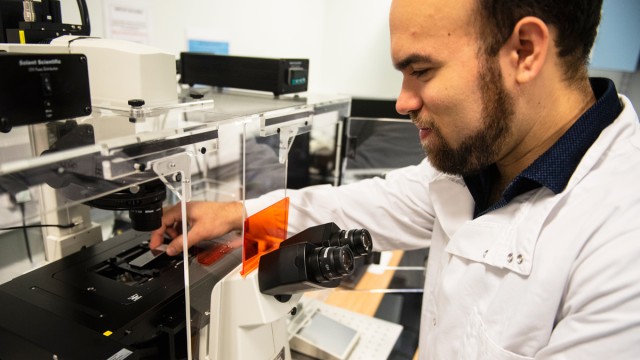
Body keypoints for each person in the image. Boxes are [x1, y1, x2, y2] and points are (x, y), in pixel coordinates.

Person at [151, 0, 640, 358]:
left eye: (420, 69)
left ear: (525, 51)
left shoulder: (622, 243)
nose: (402, 102)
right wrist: (237, 217)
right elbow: (356, 207)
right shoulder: (479, 164)